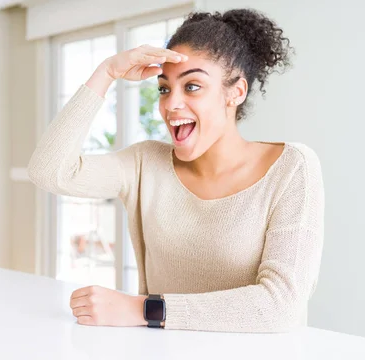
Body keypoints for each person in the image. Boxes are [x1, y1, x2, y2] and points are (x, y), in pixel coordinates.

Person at [27, 8, 324, 333]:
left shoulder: (291, 168)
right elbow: (49, 171)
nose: (170, 105)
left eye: (192, 86)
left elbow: (281, 306)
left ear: (236, 92)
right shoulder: (144, 165)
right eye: (164, 89)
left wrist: (144, 309)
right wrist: (107, 72)